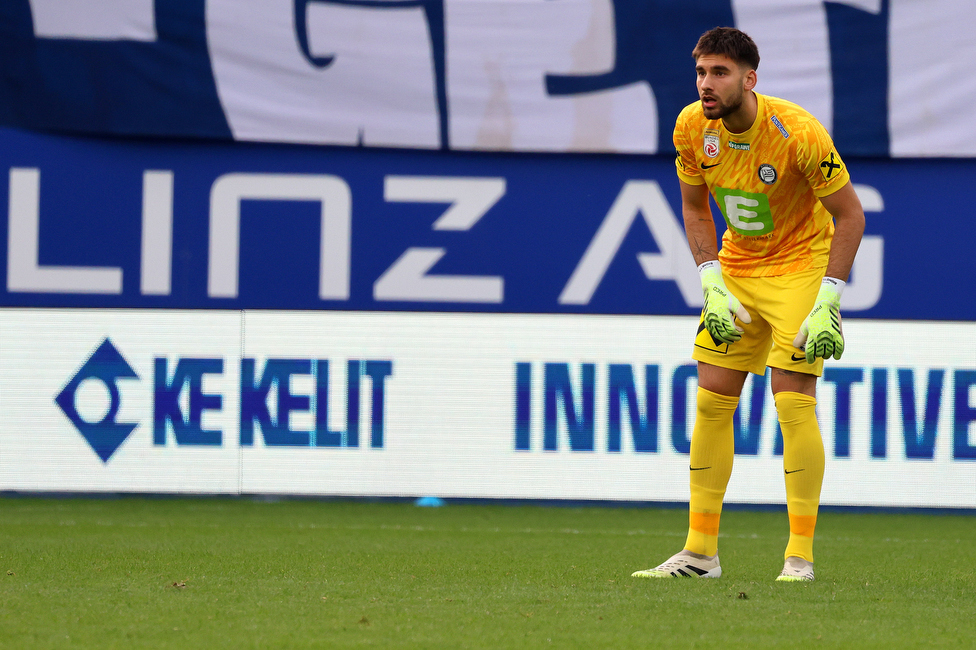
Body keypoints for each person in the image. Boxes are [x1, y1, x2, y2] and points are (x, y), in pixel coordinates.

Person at [631, 27, 865, 582]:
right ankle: (699, 554)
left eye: (719, 73)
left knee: (792, 401)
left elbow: (850, 216)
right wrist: (710, 280)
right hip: (737, 267)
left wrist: (828, 299)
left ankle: (799, 558)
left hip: (799, 267)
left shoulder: (798, 132)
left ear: (749, 79)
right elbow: (694, 208)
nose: (706, 84)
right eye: (701, 72)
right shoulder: (692, 125)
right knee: (712, 398)